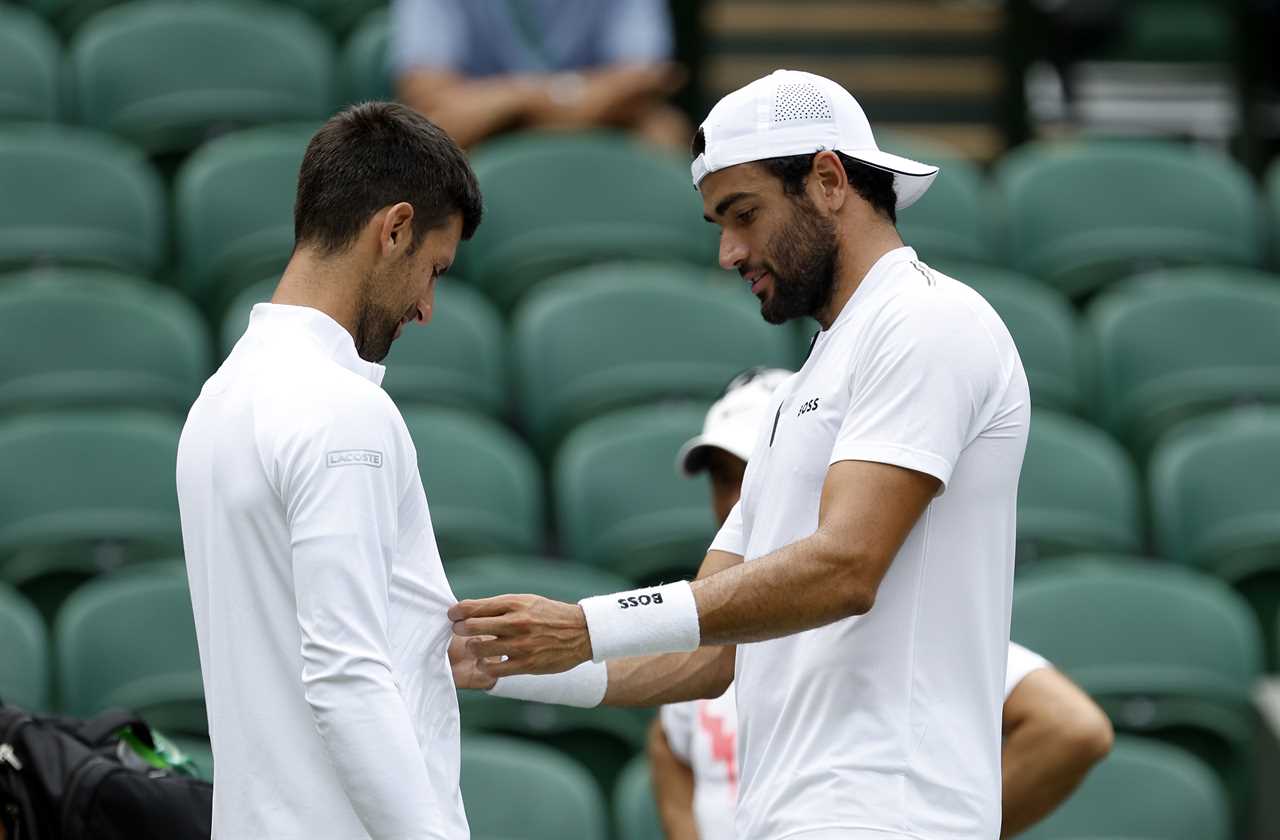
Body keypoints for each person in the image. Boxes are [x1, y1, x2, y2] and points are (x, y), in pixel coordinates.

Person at [450, 68, 1031, 840]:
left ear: (829, 180)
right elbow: (709, 655)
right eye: (719, 223)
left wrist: (588, 623)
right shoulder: (806, 384)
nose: (728, 252)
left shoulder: (927, 321)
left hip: (891, 816)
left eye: (744, 214)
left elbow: (847, 567)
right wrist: (503, 661)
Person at [176, 102, 483, 840]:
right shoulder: (342, 410)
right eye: (433, 270)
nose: (428, 308)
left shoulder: (216, 400)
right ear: (395, 229)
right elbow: (345, 676)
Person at [650, 368, 1113, 840]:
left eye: (756, 477)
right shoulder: (711, 627)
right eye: (723, 479)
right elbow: (671, 742)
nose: (737, 501)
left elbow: (1071, 727)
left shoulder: (893, 620)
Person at [390, 0, 689, 149]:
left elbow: (646, 78)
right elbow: (428, 95)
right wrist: (562, 97)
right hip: (484, 133)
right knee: (433, 131)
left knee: (664, 129)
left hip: (605, 119)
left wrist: (520, 102)